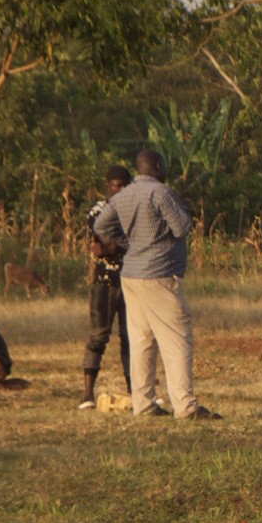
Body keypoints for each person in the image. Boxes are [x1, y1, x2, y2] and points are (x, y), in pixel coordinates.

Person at [93, 149, 219, 419]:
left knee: (141, 341)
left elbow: (101, 225)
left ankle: (144, 404)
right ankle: (185, 407)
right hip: (160, 275)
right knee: (176, 339)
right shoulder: (161, 193)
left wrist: (124, 243)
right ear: (158, 166)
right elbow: (182, 227)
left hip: (131, 275)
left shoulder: (123, 194)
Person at [79, 165, 138, 410]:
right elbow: (109, 242)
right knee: (98, 336)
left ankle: (135, 391)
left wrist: (111, 247)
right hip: (105, 282)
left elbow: (113, 246)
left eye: (125, 185)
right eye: (117, 186)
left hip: (133, 280)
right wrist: (112, 247)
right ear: (108, 186)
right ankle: (87, 394)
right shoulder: (98, 210)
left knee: (131, 338)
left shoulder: (135, 208)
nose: (121, 190)